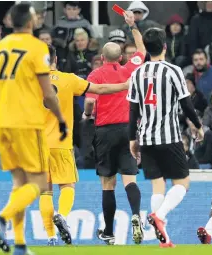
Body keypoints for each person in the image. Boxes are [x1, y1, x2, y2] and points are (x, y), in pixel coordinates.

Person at [0, 4, 66, 255]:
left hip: (3, 123)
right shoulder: (37, 48)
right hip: (28, 123)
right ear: (29, 22)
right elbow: (48, 93)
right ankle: (1, 219)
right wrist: (60, 118)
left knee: (19, 184)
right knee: (38, 183)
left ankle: (19, 245)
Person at [38, 45, 132, 246]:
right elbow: (99, 89)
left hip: (36, 144)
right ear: (55, 60)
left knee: (45, 191)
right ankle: (62, 215)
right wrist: (124, 85)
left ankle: (50, 237)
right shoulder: (68, 79)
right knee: (67, 185)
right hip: (61, 143)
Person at [127, 27, 204, 248]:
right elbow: (186, 104)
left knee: (157, 186)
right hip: (169, 137)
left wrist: (132, 139)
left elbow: (133, 111)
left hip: (146, 138)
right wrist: (198, 126)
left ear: (147, 50)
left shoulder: (137, 74)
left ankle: (165, 239)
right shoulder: (173, 71)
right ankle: (159, 216)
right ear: (165, 47)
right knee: (183, 183)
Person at [83, 10, 146, 246]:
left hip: (105, 130)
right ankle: (137, 216)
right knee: (130, 179)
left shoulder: (96, 75)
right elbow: (142, 51)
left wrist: (88, 115)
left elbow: (89, 102)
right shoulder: (130, 69)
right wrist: (133, 25)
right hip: (128, 129)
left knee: (108, 183)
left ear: (101, 57)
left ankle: (108, 231)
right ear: (120, 58)